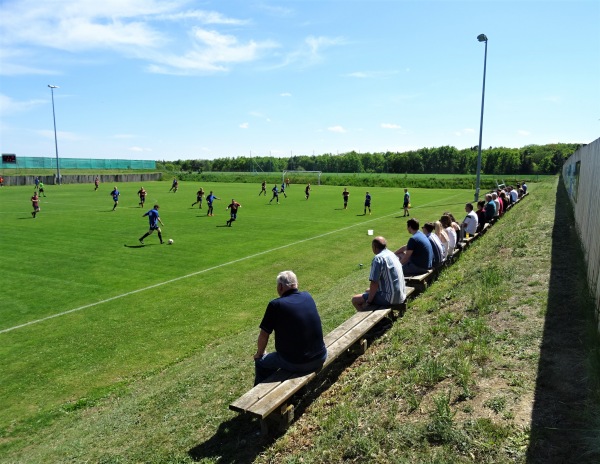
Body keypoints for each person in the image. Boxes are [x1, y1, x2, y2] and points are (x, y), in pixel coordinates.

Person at [253, 271, 327, 385]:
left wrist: (259, 354)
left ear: (280, 286)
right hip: (321, 356)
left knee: (261, 362)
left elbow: (264, 334)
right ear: (296, 284)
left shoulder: (275, 305)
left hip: (298, 363)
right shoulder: (307, 296)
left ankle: (257, 395)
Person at [352, 236, 406, 311]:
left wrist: (369, 301)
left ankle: (367, 318)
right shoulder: (392, 254)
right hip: (401, 294)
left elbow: (374, 283)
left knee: (355, 300)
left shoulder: (378, 259)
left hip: (391, 298)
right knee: (367, 291)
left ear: (374, 247)